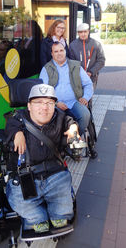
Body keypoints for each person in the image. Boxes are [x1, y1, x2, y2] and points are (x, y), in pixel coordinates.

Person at [5, 83, 79, 233]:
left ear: (54, 105)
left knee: (62, 196)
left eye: (49, 103)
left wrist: (73, 128)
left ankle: (58, 214)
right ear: (29, 106)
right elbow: (10, 124)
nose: (44, 108)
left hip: (54, 173)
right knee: (19, 201)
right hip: (26, 175)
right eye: (38, 102)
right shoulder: (19, 119)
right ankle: (37, 218)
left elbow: (70, 121)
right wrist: (16, 133)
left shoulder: (59, 117)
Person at [39, 41, 93, 137]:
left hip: (74, 101)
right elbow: (43, 91)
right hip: (55, 104)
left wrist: (85, 97)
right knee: (50, 122)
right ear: (52, 54)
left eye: (61, 50)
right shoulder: (46, 69)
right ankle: (60, 141)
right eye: (56, 51)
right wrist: (55, 103)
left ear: (65, 51)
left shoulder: (76, 66)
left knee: (85, 115)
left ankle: (74, 138)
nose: (59, 53)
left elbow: (88, 84)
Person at [68, 23, 105, 89]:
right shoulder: (72, 45)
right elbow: (71, 62)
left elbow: (101, 60)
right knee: (78, 97)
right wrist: (80, 72)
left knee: (89, 97)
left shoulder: (96, 44)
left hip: (92, 77)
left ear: (88, 31)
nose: (83, 34)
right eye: (80, 32)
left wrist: (91, 72)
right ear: (78, 33)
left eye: (85, 31)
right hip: (78, 78)